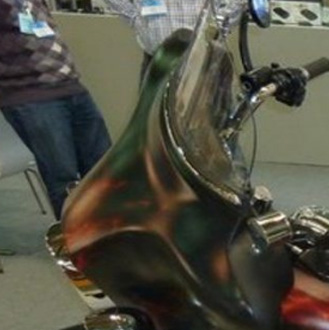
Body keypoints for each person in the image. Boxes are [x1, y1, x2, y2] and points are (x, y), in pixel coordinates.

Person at [0, 0, 112, 219]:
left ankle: (109, 231)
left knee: (103, 169)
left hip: (70, 84)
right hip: (30, 95)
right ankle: (78, 237)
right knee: (63, 178)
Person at [102, 0, 243, 77]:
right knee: (153, 122)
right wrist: (134, 18)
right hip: (157, 62)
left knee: (211, 122)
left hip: (206, 64)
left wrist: (218, 25)